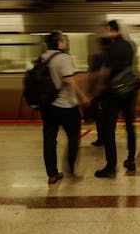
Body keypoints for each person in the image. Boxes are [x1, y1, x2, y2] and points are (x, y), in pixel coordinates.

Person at [40, 30, 89, 184]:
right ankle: (71, 170)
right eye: (64, 40)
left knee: (49, 140)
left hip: (48, 107)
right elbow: (68, 80)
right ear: (59, 43)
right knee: (73, 138)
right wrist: (83, 97)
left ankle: (52, 174)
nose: (65, 42)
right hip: (66, 107)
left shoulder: (42, 58)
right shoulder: (64, 58)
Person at [94, 20, 139, 178]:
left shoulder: (112, 47)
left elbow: (106, 71)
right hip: (130, 90)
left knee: (108, 128)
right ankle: (131, 160)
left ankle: (111, 165)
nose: (105, 33)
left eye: (107, 31)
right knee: (129, 126)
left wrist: (98, 89)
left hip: (114, 93)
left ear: (112, 31)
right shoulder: (129, 45)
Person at [85, 36, 111, 147]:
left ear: (101, 44)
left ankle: (101, 139)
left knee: (100, 117)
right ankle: (109, 138)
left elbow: (93, 74)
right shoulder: (114, 56)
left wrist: (90, 91)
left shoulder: (97, 56)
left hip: (100, 91)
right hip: (111, 91)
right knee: (109, 117)